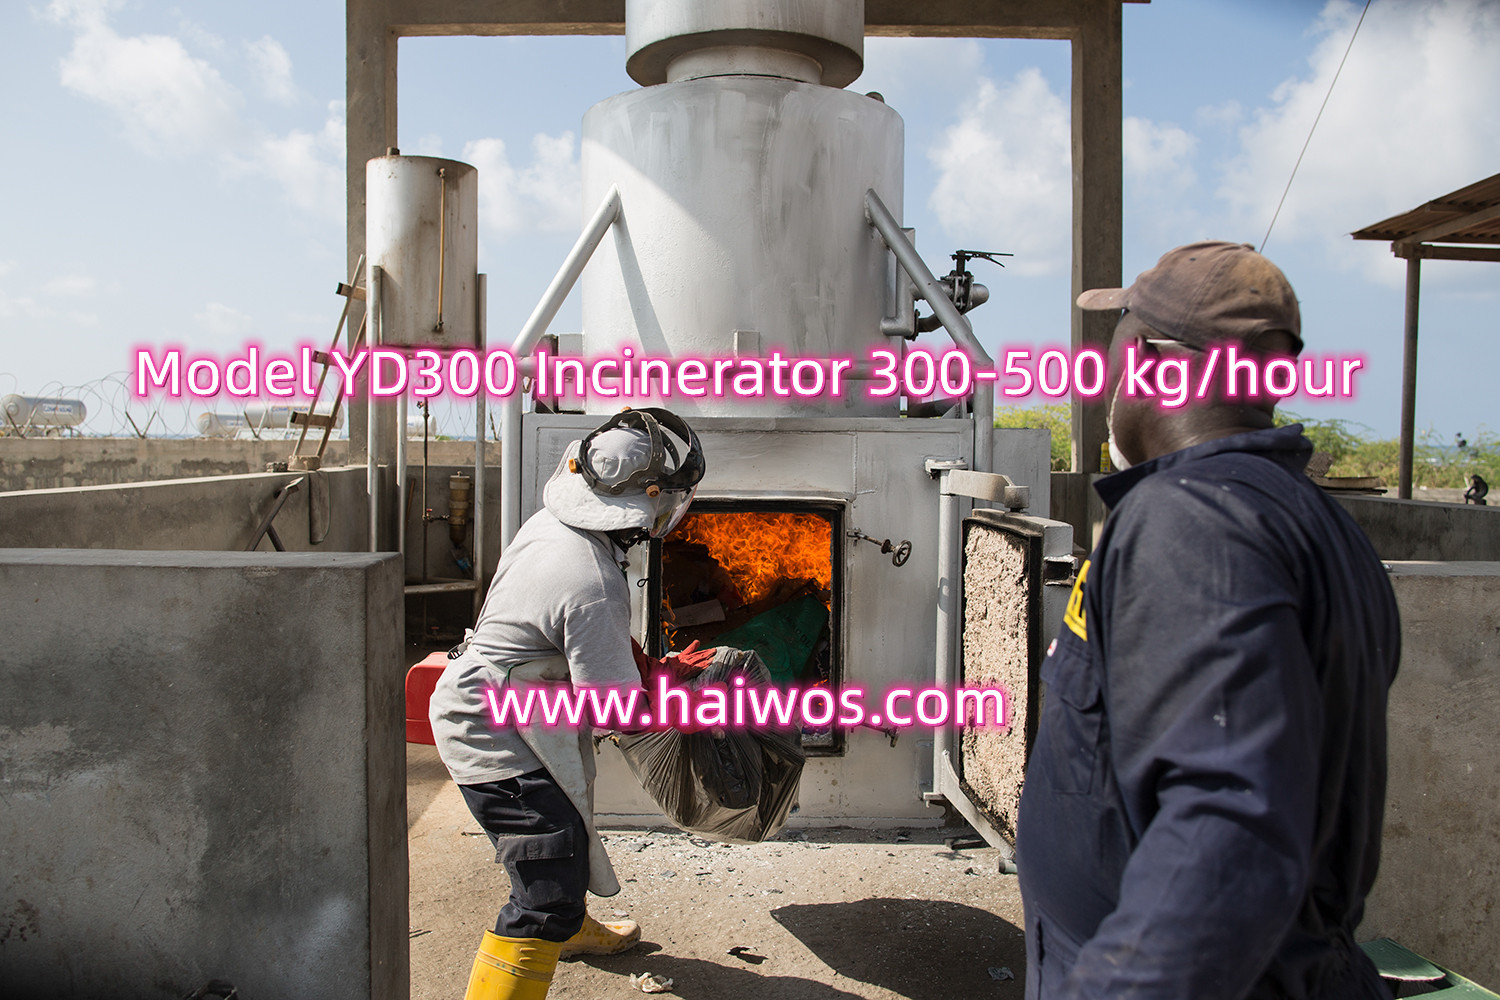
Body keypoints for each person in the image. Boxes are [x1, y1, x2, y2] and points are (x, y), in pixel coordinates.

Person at [1016, 241, 1401, 999]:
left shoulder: (1190, 524)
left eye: (1117, 338)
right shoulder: (1317, 523)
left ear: (1147, 360)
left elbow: (1224, 836)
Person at [429, 407, 712, 1000]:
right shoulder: (592, 581)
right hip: (490, 732)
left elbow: (581, 634)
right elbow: (616, 715)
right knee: (547, 875)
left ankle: (568, 930)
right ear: (656, 503)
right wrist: (684, 706)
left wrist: (648, 668)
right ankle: (554, 921)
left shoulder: (556, 527)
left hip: (508, 702)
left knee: (564, 834)